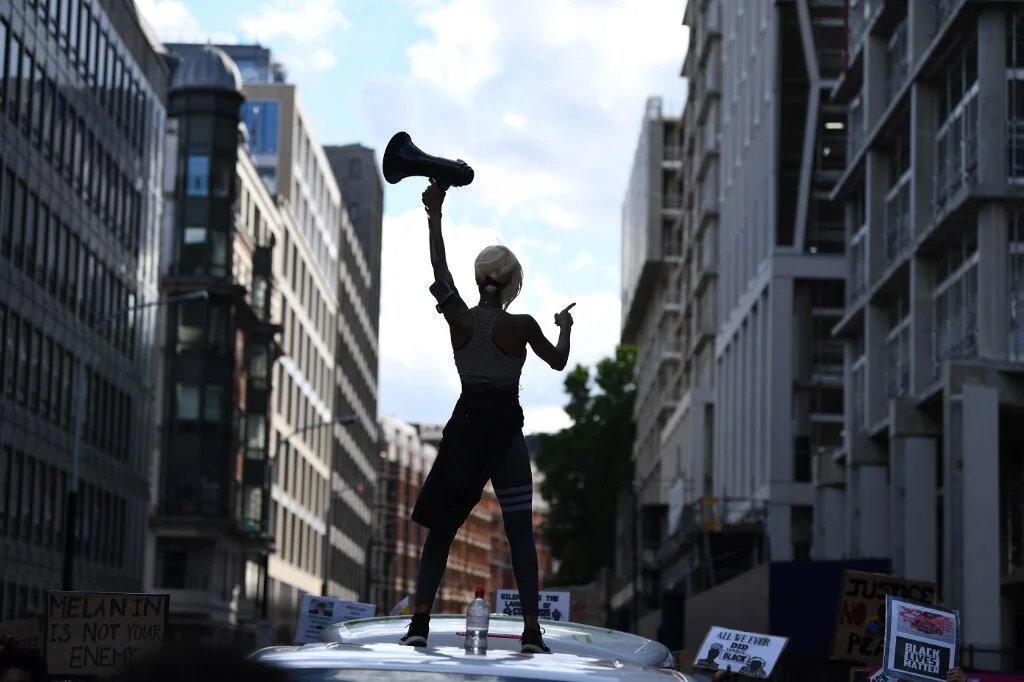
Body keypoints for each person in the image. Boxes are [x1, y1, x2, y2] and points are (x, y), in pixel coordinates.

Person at [400, 178, 575, 655]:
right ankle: (532, 632)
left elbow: (439, 268)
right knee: (520, 534)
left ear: (478, 279)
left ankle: (419, 623)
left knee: (442, 529)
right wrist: (564, 327)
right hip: (505, 433)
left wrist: (434, 215)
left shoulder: (459, 319)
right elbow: (559, 361)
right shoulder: (522, 326)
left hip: (465, 429)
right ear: (513, 282)